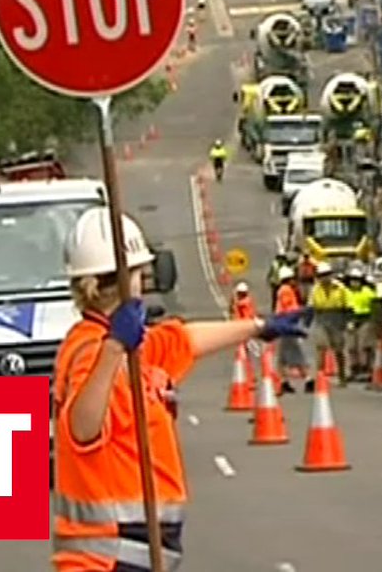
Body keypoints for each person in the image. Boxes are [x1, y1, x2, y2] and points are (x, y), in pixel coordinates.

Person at [52, 207, 309, 571]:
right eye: (139, 274)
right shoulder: (92, 351)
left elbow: (183, 339)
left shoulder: (132, 348)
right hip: (108, 559)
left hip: (133, 554)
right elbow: (82, 426)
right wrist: (112, 348)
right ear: (126, 280)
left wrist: (259, 326)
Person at [307, 261, 350, 390]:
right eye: (322, 275)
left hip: (337, 319)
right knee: (321, 349)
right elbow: (311, 307)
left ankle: (342, 376)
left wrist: (346, 322)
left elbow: (347, 306)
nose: (324, 278)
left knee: (338, 350)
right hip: (321, 318)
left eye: (326, 275)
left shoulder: (340, 288)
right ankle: (320, 378)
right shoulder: (315, 289)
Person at [273, 266, 307, 393]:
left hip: (283, 324)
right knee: (296, 354)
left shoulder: (284, 290)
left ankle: (284, 381)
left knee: (283, 356)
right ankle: (307, 379)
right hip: (287, 325)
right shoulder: (286, 290)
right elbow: (288, 308)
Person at [344, 265, 377, 381]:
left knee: (364, 346)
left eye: (357, 280)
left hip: (365, 320)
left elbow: (375, 304)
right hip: (350, 320)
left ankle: (366, 369)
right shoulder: (345, 292)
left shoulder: (367, 292)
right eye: (352, 280)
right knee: (351, 346)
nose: (354, 283)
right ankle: (354, 369)